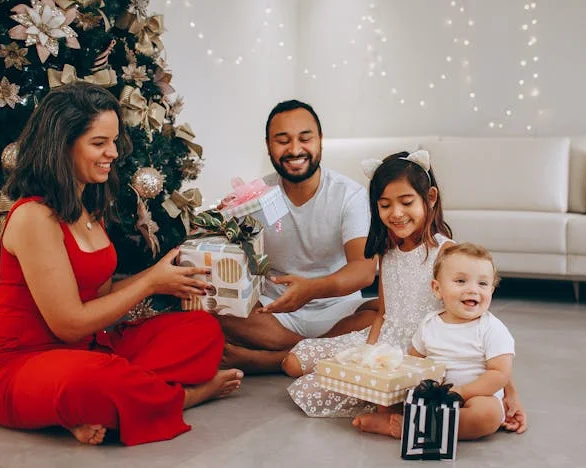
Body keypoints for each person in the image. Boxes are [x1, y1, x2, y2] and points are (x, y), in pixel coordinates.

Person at [0, 82, 243, 447]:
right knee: (95, 381)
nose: (113, 153)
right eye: (99, 143)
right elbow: (69, 325)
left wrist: (158, 274)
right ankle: (183, 398)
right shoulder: (33, 217)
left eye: (114, 142)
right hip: (19, 365)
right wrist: (148, 285)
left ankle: (82, 410)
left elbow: (101, 297)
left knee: (201, 330)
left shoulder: (87, 208)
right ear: (62, 146)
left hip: (89, 351)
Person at [285, 149, 457, 417]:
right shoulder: (387, 254)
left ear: (430, 198)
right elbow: (383, 313)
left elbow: (467, 320)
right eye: (385, 205)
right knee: (293, 362)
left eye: (406, 202)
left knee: (309, 391)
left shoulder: (446, 253)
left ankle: (384, 397)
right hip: (382, 341)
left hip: (416, 351)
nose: (396, 213)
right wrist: (367, 353)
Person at [218, 100, 378, 374]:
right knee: (216, 311)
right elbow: (232, 264)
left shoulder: (348, 195)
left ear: (320, 141)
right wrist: (221, 225)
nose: (294, 150)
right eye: (282, 140)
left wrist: (312, 289)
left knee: (382, 315)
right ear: (268, 145)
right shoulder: (256, 196)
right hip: (273, 312)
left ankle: (270, 360)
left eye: (305, 138)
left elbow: (364, 271)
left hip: (336, 311)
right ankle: (311, 352)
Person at [353, 242, 519, 441]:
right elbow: (414, 361)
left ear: (491, 290)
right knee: (393, 395)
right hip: (433, 395)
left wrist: (463, 392)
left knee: (487, 416)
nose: (473, 289)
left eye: (482, 284)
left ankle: (410, 427)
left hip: (477, 396)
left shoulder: (492, 328)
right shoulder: (430, 323)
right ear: (437, 289)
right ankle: (396, 416)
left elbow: (499, 373)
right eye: (460, 281)